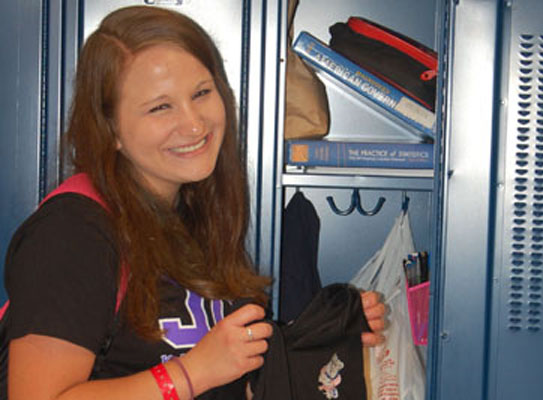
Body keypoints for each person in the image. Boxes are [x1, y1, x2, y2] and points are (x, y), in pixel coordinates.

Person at [4, 5, 385, 400]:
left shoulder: (190, 214)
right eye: (160, 107)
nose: (195, 124)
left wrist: (322, 335)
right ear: (111, 128)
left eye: (202, 93)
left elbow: (223, 368)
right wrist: (190, 374)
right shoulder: (73, 233)